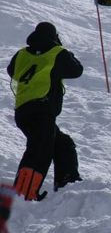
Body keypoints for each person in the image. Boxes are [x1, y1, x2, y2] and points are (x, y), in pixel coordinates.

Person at [7, 22, 83, 201]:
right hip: (42, 109)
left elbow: (12, 71)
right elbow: (77, 70)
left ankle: (67, 183)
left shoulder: (21, 54)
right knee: (40, 150)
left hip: (23, 111)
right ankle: (23, 194)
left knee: (62, 143)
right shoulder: (56, 52)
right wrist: (61, 48)